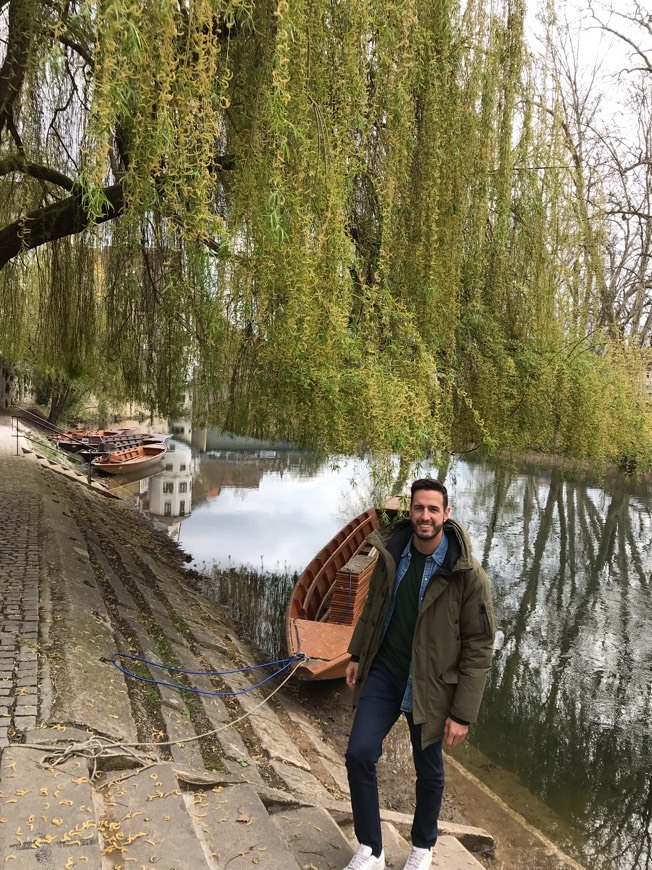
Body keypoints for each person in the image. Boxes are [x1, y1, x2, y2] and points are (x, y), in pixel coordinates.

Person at [343, 478, 495, 870]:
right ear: (410, 512)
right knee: (359, 753)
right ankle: (371, 849)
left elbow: (479, 647)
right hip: (386, 672)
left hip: (430, 686)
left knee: (428, 770)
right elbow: (374, 606)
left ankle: (422, 847)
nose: (424, 516)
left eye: (433, 509)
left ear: (446, 514)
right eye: (418, 508)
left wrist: (463, 713)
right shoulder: (394, 553)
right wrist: (358, 653)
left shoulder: (467, 576)